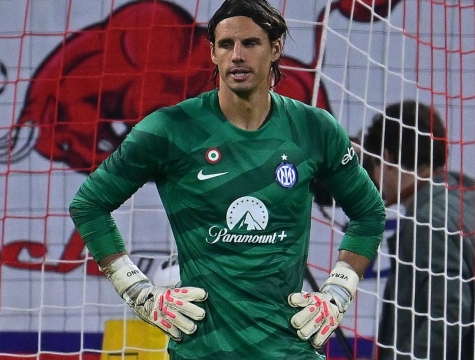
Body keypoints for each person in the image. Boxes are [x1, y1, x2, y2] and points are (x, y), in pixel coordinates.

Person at [68, 0, 386, 359]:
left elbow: (369, 213)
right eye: (225, 45)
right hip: (202, 350)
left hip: (290, 349)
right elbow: (89, 204)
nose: (237, 55)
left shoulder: (315, 129)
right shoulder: (170, 129)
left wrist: (338, 292)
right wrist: (136, 290)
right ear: (212, 53)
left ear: (275, 48)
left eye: (250, 43)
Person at [362, 100, 475, 360]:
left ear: (388, 156)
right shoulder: (465, 199)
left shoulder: (427, 220)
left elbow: (450, 314)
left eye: (375, 162)